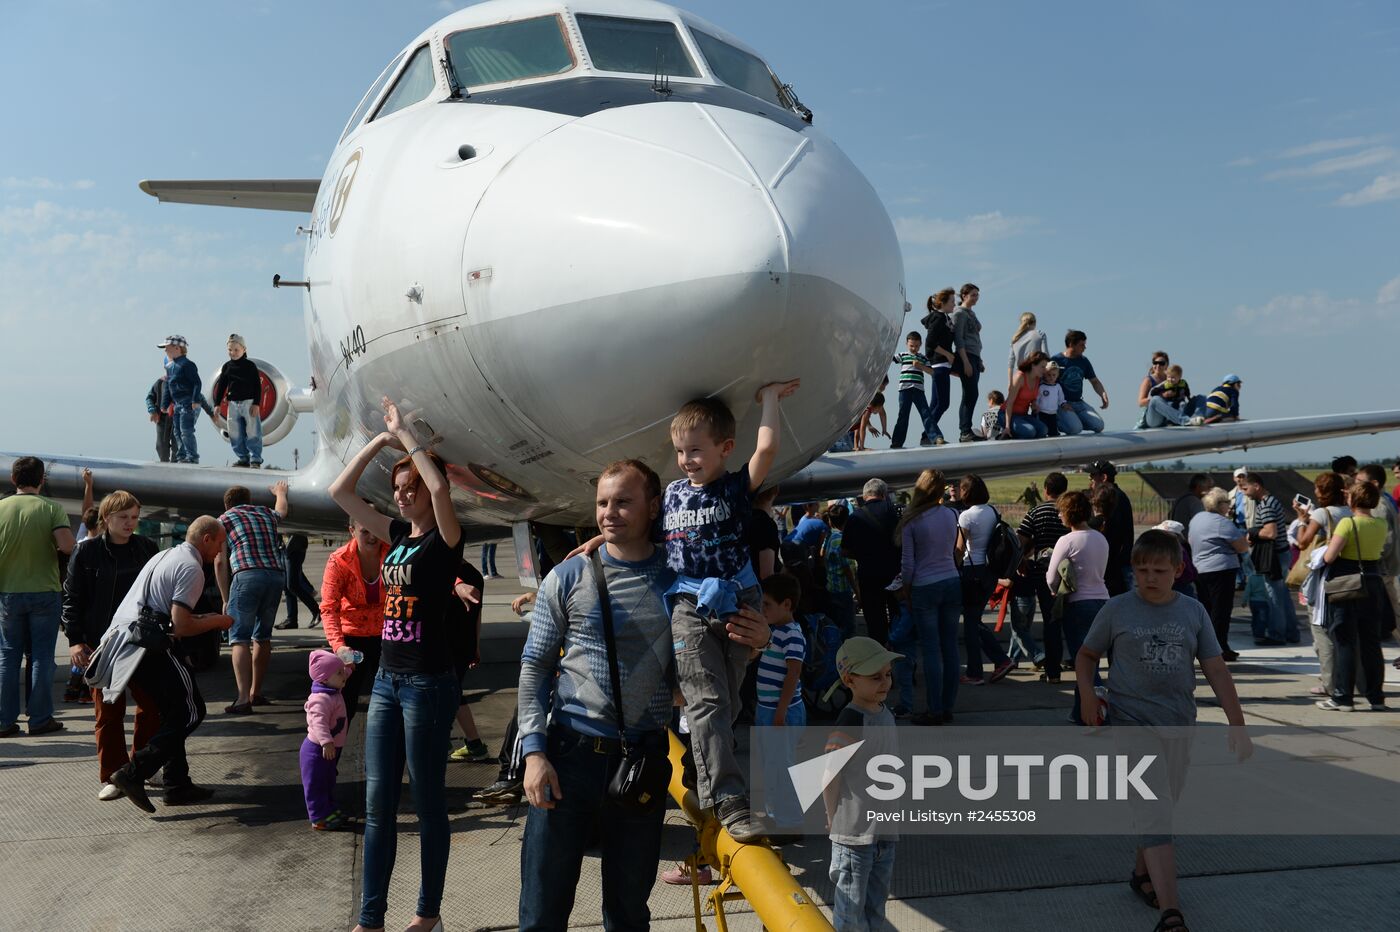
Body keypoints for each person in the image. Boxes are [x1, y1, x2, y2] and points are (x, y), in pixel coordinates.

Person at [518, 459, 769, 929]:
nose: (609, 513)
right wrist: (534, 753)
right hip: (568, 757)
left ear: (655, 506)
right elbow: (535, 666)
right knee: (542, 909)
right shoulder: (569, 576)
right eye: (602, 503)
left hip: (644, 758)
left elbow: (712, 664)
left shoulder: (682, 581)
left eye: (623, 502)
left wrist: (757, 641)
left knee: (630, 912)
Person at [329, 396, 465, 932]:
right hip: (386, 679)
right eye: (399, 490)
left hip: (429, 685)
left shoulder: (445, 539)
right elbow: (340, 493)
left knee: (428, 803)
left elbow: (438, 489)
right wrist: (378, 445)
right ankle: (370, 919)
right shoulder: (394, 539)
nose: (407, 496)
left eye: (412, 490)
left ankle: (427, 914)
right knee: (378, 801)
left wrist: (406, 437)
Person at [1075, 530, 1251, 932]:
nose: (1149, 577)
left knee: (1161, 808)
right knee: (1154, 808)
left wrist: (1237, 724)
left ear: (1178, 570)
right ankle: (1171, 913)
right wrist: (1087, 692)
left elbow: (1216, 668)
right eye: (1141, 570)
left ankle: (1142, 876)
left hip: (1178, 722)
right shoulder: (1117, 609)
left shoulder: (1193, 612)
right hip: (1131, 723)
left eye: (1158, 570)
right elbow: (1086, 655)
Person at [654, 381, 799, 841]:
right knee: (708, 700)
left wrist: (770, 401)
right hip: (690, 605)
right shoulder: (673, 494)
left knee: (730, 700)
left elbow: (768, 450)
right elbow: (645, 535)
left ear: (725, 449)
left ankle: (703, 774)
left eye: (696, 450)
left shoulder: (734, 490)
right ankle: (731, 798)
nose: (686, 460)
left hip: (738, 600)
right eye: (680, 451)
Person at [87, 516, 235, 811]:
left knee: (172, 713)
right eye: (219, 544)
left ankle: (177, 784)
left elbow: (171, 614)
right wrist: (219, 621)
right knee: (192, 711)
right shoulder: (192, 568)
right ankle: (133, 773)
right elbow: (180, 626)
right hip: (149, 646)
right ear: (206, 539)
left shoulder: (167, 554)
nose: (221, 551)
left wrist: (205, 619)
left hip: (126, 642)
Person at [63, 490, 161, 797]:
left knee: (152, 707)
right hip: (102, 644)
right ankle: (113, 775)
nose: (130, 523)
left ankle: (142, 767)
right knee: (108, 713)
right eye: (123, 517)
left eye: (134, 517)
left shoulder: (146, 547)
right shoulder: (87, 551)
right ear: (106, 518)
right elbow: (72, 598)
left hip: (142, 641)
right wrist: (75, 641)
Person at [822, 636, 902, 932]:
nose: (885, 682)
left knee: (875, 905)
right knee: (851, 910)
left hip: (883, 831)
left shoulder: (885, 714)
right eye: (875, 676)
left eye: (887, 674)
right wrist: (832, 817)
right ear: (849, 679)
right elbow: (830, 774)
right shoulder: (850, 721)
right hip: (854, 835)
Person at [0, 456, 76, 738]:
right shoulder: (52, 508)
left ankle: (4, 721)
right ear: (42, 479)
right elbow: (68, 547)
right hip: (45, 592)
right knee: (42, 656)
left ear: (13, 480)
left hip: (8, 592)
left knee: (8, 656)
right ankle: (40, 718)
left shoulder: (1, 508)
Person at [216, 482, 290, 713]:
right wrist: (280, 493)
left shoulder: (224, 520)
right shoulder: (265, 513)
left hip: (247, 575)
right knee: (263, 636)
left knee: (239, 638)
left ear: (227, 503)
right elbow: (283, 511)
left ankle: (242, 699)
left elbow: (219, 561)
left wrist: (225, 596)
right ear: (248, 500)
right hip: (276, 576)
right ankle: (256, 692)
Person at [1316, 481, 1389, 712]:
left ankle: (1342, 696)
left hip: (1347, 584)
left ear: (1353, 499)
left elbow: (1329, 557)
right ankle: (1376, 696)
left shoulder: (1348, 523)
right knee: (1371, 642)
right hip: (1373, 581)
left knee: (1345, 640)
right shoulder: (1380, 523)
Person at [897, 469, 962, 724]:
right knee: (951, 648)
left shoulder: (911, 520)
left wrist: (906, 590)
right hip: (951, 580)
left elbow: (907, 564)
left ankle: (934, 709)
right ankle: (947, 707)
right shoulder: (952, 514)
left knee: (931, 651)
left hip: (925, 584)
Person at [1046, 491, 1110, 721]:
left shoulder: (1067, 540)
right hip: (1103, 601)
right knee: (1089, 659)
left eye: (1061, 511)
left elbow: (1050, 577)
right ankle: (1077, 712)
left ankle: (1101, 708)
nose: (1059, 515)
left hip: (1078, 604)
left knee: (1084, 664)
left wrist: (1055, 588)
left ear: (1069, 513)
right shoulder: (1100, 538)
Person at [320, 515, 388, 726]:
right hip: (352, 638)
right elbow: (329, 607)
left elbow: (425, 573)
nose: (372, 537)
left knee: (393, 698)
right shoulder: (339, 560)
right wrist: (339, 646)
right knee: (345, 704)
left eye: (375, 529)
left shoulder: (394, 553)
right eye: (364, 531)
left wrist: (456, 583)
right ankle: (331, 751)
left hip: (388, 634)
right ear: (352, 531)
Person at [753, 572, 806, 829]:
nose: (762, 609)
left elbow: (793, 673)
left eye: (767, 605)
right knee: (771, 764)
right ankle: (776, 815)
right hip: (768, 710)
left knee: (783, 767)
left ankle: (791, 820)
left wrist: (780, 712)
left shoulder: (792, 635)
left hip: (780, 712)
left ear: (786, 605)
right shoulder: (774, 631)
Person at [1293, 472, 1350, 694]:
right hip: (1344, 574)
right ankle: (1343, 677)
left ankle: (1329, 682)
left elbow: (1302, 542)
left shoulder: (1321, 513)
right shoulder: (1347, 512)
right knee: (1340, 631)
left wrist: (1301, 520)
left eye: (1318, 488)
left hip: (1321, 577)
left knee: (1321, 632)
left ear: (1323, 491)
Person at [956, 475, 1015, 685]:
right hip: (989, 571)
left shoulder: (966, 516)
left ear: (966, 492)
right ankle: (1001, 660)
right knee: (975, 620)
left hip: (972, 572)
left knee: (970, 625)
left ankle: (975, 672)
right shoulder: (991, 511)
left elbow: (960, 548)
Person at [1014, 472, 1071, 675]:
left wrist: (1021, 561)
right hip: (1070, 574)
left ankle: (1053, 671)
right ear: (1065, 490)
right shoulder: (1069, 512)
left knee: (1051, 621)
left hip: (1043, 573)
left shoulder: (1036, 512)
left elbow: (1020, 540)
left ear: (1045, 490)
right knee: (1070, 621)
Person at [1188, 488, 1250, 662]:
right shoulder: (1222, 522)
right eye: (1226, 503)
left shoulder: (1197, 518)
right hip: (1221, 569)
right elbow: (1242, 547)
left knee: (1206, 609)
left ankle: (1206, 646)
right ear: (1219, 504)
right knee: (1221, 611)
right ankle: (1220, 647)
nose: (1228, 506)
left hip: (1200, 568)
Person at [842, 478, 901, 646]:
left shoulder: (855, 517)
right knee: (898, 617)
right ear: (884, 494)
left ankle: (880, 658)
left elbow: (845, 550)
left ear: (865, 495)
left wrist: (863, 555)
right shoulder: (893, 512)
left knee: (875, 622)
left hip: (868, 576)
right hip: (894, 575)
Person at [1242, 473, 1297, 645]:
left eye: (1246, 488)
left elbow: (1270, 532)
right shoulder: (1271, 501)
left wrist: (1252, 532)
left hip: (1274, 557)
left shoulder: (1265, 505)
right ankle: (1291, 632)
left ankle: (1277, 635)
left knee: (1274, 598)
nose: (1244, 492)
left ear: (1256, 486)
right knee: (1282, 596)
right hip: (1281, 554)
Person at [301, 649, 353, 831]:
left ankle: (329, 809)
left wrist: (348, 661)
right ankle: (318, 817)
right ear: (324, 678)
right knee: (316, 783)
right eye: (339, 673)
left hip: (330, 747)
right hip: (317, 749)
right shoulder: (321, 699)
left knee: (329, 780)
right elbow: (318, 722)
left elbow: (345, 671)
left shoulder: (333, 687)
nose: (343, 675)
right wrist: (326, 742)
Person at [446, 558, 490, 762]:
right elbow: (477, 615)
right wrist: (476, 645)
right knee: (453, 692)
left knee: (449, 693)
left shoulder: (441, 571)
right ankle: (473, 743)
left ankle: (472, 743)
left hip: (445, 645)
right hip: (465, 645)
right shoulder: (475, 575)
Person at [1355, 464, 1400, 640]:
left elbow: (1385, 541)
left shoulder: (1378, 506)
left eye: (1359, 481)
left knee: (1394, 613)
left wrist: (1372, 560)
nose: (1355, 485)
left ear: (1373, 483)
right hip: (1385, 568)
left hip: (1382, 568)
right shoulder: (1382, 501)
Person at [212, 334, 264, 468]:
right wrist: (217, 404)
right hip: (233, 404)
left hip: (249, 403)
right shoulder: (227, 367)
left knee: (253, 431)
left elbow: (258, 386)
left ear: (244, 349)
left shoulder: (250, 366)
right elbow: (222, 385)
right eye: (230, 350)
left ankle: (256, 459)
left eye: (236, 350)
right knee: (234, 432)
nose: (233, 353)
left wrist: (256, 403)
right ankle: (243, 458)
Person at [1089, 461, 1135, 595]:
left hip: (1114, 566)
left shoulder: (1114, 498)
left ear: (1103, 477)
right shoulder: (1117, 496)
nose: (1090, 479)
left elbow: (1114, 533)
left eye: (1093, 475)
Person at [1051, 330, 1110, 434]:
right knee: (1075, 429)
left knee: (1099, 426)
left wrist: (1103, 394)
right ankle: (1054, 422)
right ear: (1071, 344)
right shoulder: (1056, 360)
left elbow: (1095, 381)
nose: (1084, 348)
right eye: (1081, 345)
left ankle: (1073, 420)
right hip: (1062, 404)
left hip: (1079, 403)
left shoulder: (1084, 361)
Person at [888, 331, 938, 449]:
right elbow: (890, 358)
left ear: (920, 344)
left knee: (926, 413)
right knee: (903, 415)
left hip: (918, 390)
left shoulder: (923, 358)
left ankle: (935, 437)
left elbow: (932, 372)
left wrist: (921, 366)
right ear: (906, 344)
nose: (914, 348)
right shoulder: (903, 355)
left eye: (916, 346)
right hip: (904, 389)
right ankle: (897, 442)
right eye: (911, 345)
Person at [921, 289, 958, 445]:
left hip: (942, 365)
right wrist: (948, 354)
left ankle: (928, 435)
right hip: (940, 364)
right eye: (951, 302)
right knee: (943, 403)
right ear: (942, 303)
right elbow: (930, 343)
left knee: (936, 403)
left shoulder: (944, 318)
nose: (954, 304)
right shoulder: (938, 318)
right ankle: (929, 434)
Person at [158, 335, 203, 464]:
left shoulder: (187, 365)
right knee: (177, 431)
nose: (165, 351)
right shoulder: (170, 366)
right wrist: (164, 404)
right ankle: (182, 455)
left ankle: (192, 456)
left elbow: (196, 383)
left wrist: (195, 400)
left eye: (167, 348)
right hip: (177, 404)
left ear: (177, 348)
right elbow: (168, 385)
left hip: (187, 403)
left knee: (186, 431)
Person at [951, 283, 985, 442]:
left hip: (974, 356)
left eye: (977, 294)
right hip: (967, 356)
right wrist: (965, 361)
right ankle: (964, 430)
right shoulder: (959, 313)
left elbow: (975, 338)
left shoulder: (971, 313)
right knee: (970, 393)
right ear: (964, 296)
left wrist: (980, 360)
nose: (976, 297)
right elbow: (959, 339)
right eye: (973, 294)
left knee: (972, 393)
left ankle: (966, 429)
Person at [823, 504, 859, 638]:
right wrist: (857, 592)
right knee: (848, 628)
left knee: (837, 624)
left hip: (831, 586)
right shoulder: (841, 540)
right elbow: (847, 569)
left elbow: (822, 555)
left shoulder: (830, 537)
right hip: (842, 590)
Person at [999, 352, 1050, 439]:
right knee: (1030, 432)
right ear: (1033, 365)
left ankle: (1019, 432)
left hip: (1023, 415)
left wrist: (1034, 404)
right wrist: (1007, 426)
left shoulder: (1038, 378)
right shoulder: (1020, 377)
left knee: (1043, 430)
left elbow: (1031, 397)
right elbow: (1009, 404)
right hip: (1007, 415)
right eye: (1042, 367)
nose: (1045, 370)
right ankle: (1005, 433)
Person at [277, 532, 322, 630]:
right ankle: (291, 619)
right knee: (287, 586)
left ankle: (316, 611)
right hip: (285, 546)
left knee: (292, 585)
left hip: (295, 547)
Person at [1006, 311, 1048, 383]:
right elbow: (1046, 355)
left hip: (1020, 377)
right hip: (1036, 377)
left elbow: (1010, 364)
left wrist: (1010, 383)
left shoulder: (1015, 338)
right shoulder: (1040, 334)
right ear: (1034, 322)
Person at [145, 375, 177, 463]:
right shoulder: (160, 382)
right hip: (162, 418)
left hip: (178, 419)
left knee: (177, 445)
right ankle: (164, 464)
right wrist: (152, 410)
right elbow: (149, 398)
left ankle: (176, 465)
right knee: (161, 445)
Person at [1035, 362, 1071, 438]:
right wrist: (1036, 407)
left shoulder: (1058, 387)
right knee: (1042, 431)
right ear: (1044, 374)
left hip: (1053, 414)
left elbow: (1061, 399)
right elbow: (1037, 399)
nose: (1051, 377)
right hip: (1042, 413)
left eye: (1054, 375)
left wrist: (1064, 404)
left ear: (1057, 375)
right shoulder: (1041, 387)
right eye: (1049, 375)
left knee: (1053, 432)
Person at [855, 377, 889, 451]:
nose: (884, 389)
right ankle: (858, 446)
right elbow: (862, 428)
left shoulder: (874, 399)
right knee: (859, 425)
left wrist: (884, 429)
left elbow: (882, 414)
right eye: (884, 385)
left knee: (859, 424)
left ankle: (857, 446)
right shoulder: (868, 408)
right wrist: (862, 447)